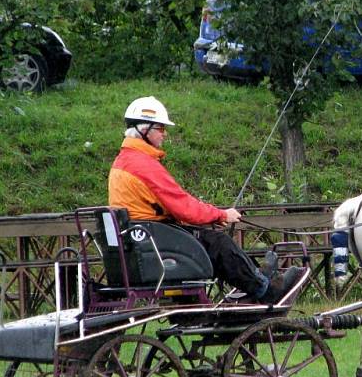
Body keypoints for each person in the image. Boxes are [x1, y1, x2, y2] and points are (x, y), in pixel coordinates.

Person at [108, 96, 303, 304]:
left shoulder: (124, 160)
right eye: (160, 128)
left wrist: (212, 216)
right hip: (154, 240)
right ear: (143, 129)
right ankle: (265, 290)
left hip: (143, 238)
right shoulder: (143, 165)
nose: (164, 134)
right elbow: (183, 207)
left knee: (211, 240)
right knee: (219, 244)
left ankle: (259, 277)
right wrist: (221, 214)